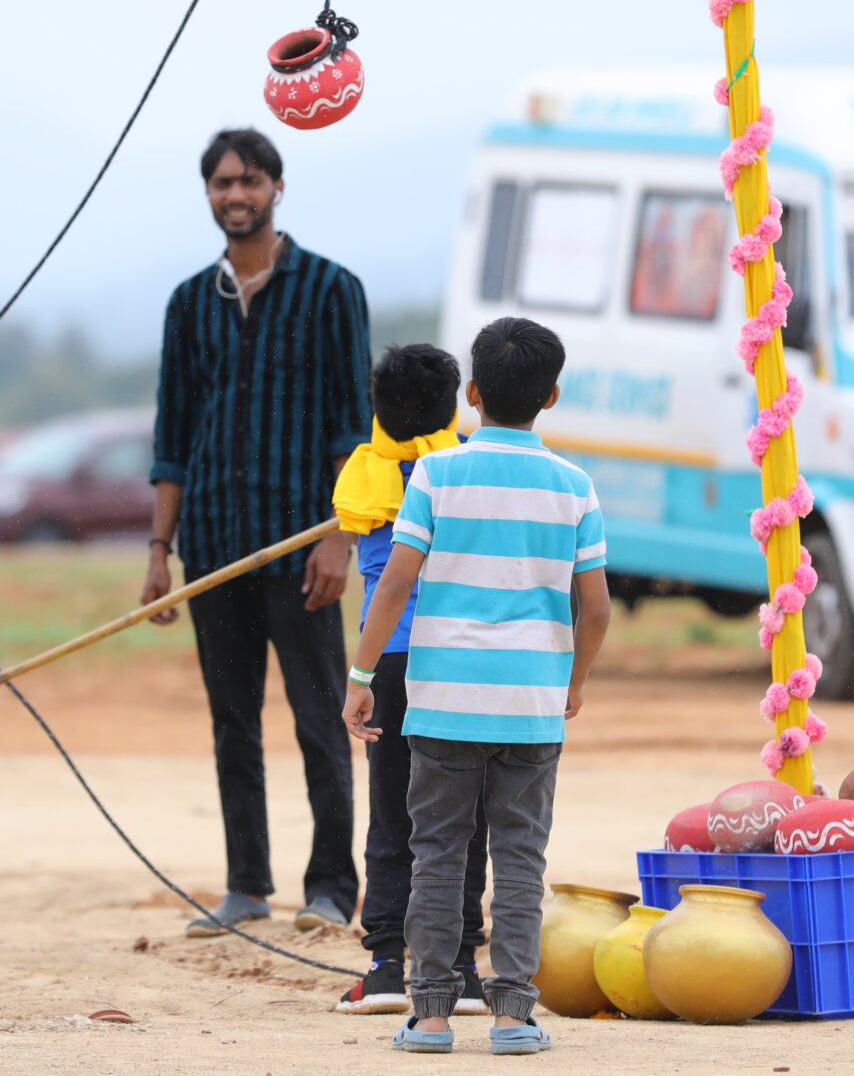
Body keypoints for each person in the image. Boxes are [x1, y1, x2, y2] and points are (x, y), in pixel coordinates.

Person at [342, 316, 614, 1055]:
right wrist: (575, 681)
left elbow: (395, 583)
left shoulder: (436, 474)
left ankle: (430, 1015)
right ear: (551, 395)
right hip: (531, 703)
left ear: (472, 393)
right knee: (520, 857)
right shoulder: (575, 486)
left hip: (443, 700)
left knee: (436, 852)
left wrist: (362, 675)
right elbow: (595, 608)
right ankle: (513, 1016)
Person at [146, 126, 371, 938]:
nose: (235, 194)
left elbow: (354, 425)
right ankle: (245, 887)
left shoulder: (332, 288)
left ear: (277, 186)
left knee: (320, 719)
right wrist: (159, 552)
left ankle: (331, 889)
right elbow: (173, 434)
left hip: (303, 543)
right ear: (209, 193)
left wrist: (340, 536)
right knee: (232, 723)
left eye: (248, 180)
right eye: (221, 182)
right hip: (212, 543)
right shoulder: (188, 303)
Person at [329, 344, 489, 1015]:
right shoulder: (469, 465)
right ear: (453, 406)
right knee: (465, 813)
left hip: (390, 660)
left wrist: (358, 674)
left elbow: (388, 580)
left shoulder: (362, 472)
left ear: (378, 409)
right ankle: (462, 967)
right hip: (460, 655)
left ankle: (387, 966)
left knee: (393, 814)